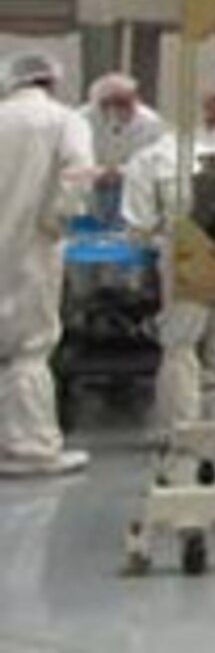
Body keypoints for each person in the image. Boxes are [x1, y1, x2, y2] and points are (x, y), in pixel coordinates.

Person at [123, 103, 215, 433]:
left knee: (180, 343)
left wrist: (153, 252)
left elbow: (140, 225)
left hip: (187, 248)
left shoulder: (145, 161)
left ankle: (181, 428)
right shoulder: (212, 155)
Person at [0, 51, 95, 476]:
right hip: (33, 248)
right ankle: (32, 447)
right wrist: (57, 221)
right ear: (51, 81)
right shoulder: (65, 120)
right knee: (30, 348)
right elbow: (78, 173)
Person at [83, 73, 166, 176]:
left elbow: (156, 162)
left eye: (123, 102)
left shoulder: (151, 123)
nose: (114, 109)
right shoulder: (82, 119)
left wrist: (119, 171)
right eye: (106, 103)